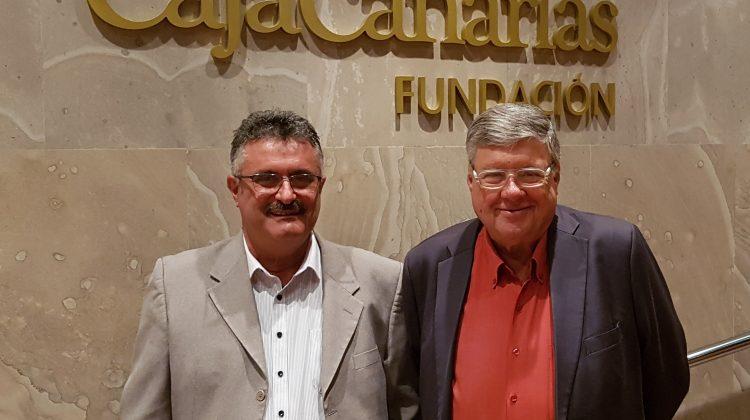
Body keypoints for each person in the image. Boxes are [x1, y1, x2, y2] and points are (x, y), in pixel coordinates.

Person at [387, 103, 690, 420]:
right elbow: (409, 392)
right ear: (471, 182)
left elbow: (667, 375)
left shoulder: (616, 252)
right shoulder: (429, 266)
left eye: (529, 175)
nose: (512, 192)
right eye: (494, 176)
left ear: (554, 178)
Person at [121, 110, 401, 419]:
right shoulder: (176, 287)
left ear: (320, 186)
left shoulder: (381, 283)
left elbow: (407, 407)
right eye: (266, 179)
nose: (287, 194)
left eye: (302, 178)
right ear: (235, 190)